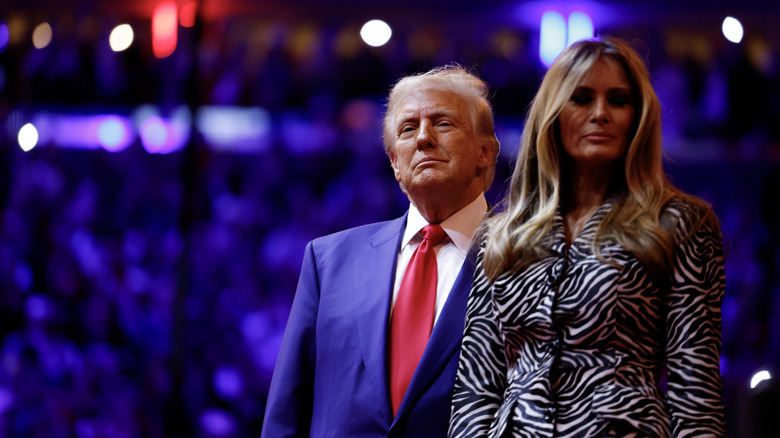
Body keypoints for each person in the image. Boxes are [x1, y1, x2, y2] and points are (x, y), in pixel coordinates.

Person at [449, 37, 726, 437]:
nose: (601, 113)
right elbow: (476, 388)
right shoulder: (500, 233)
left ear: (639, 116)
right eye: (581, 98)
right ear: (553, 113)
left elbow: (695, 390)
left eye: (618, 100)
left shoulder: (680, 222)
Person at [262, 65, 500, 437]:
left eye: (443, 124)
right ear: (394, 163)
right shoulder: (328, 261)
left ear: (485, 152)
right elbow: (286, 416)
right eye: (408, 129)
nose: (423, 138)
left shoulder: (530, 261)